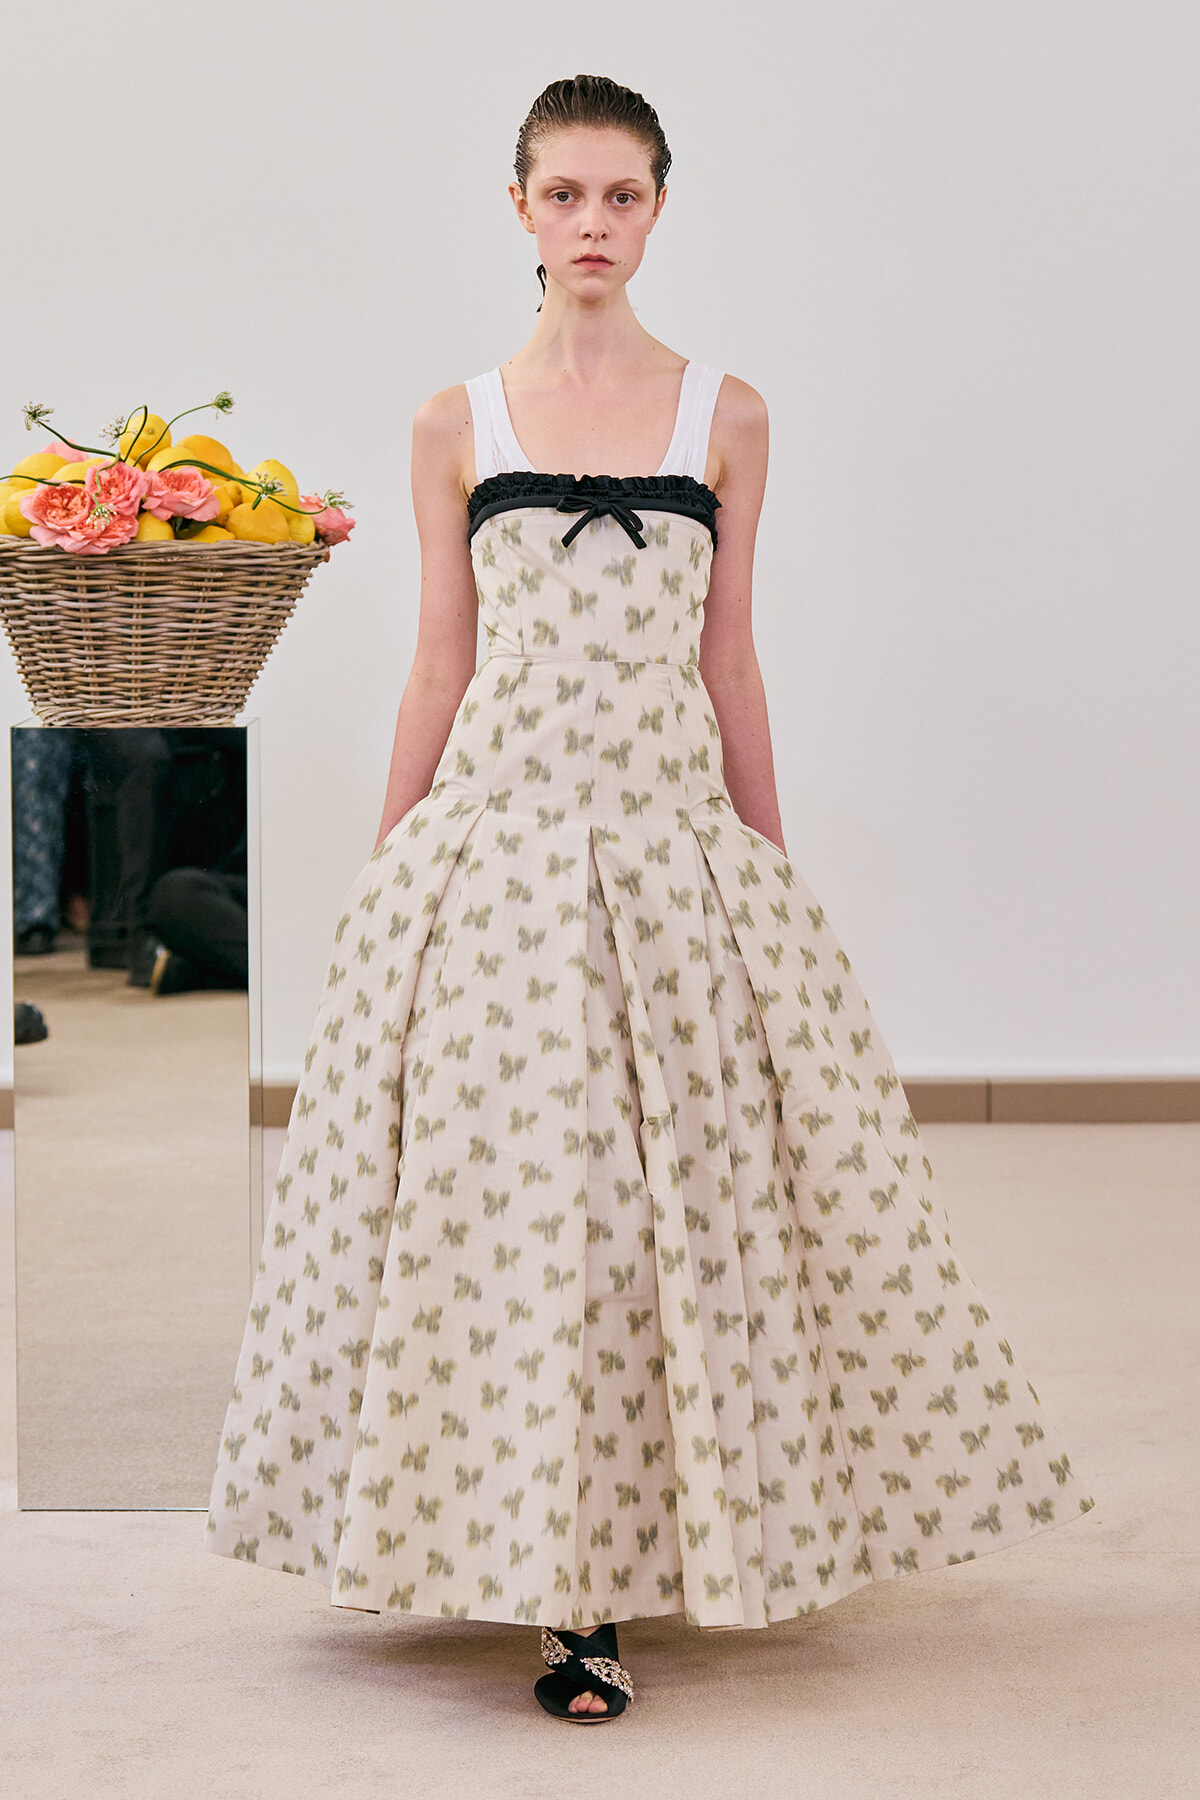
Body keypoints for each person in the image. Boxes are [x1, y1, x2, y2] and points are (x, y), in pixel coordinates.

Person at [204, 73, 1094, 1723]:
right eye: (565, 196)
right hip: (504, 853)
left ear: (660, 208)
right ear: (521, 210)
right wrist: (393, 857)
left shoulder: (726, 416)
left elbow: (728, 651)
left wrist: (766, 860)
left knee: (663, 1214)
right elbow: (439, 657)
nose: (593, 225)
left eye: (622, 196)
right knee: (521, 1219)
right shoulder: (455, 420)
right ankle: (560, 1590)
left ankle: (651, 1550)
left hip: (670, 851)